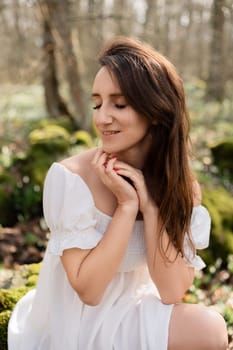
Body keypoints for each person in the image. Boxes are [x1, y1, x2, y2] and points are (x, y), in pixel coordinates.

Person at [8, 37, 228, 350]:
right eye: (97, 103)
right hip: (75, 320)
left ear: (155, 111)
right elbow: (89, 291)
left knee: (211, 329)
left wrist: (151, 208)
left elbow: (171, 291)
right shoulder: (71, 178)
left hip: (134, 306)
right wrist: (126, 207)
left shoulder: (181, 185)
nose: (101, 117)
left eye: (119, 104)